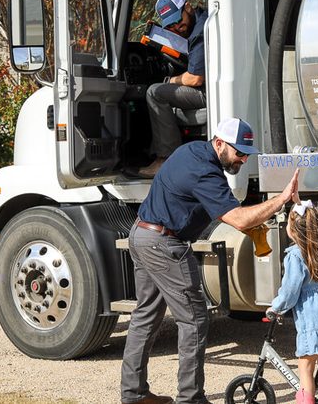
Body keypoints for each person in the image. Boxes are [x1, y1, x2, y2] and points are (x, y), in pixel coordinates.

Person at [121, 117, 300, 404]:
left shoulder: (193, 151)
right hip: (163, 244)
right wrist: (282, 199)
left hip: (142, 234)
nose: (242, 159)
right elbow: (239, 219)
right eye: (238, 152)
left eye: (246, 154)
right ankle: (190, 398)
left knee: (145, 317)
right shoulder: (205, 171)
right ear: (219, 144)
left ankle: (134, 395)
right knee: (193, 320)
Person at [266, 200, 318, 404]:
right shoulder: (317, 249)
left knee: (305, 367)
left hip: (311, 316)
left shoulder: (294, 255)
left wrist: (276, 307)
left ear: (293, 230)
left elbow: (290, 290)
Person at [138, 0, 208, 178]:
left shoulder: (199, 32)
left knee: (155, 92)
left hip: (207, 93)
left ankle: (166, 159)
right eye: (170, 26)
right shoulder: (199, 22)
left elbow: (195, 79)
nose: (178, 27)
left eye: (179, 20)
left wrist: (171, 80)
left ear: (187, 7)